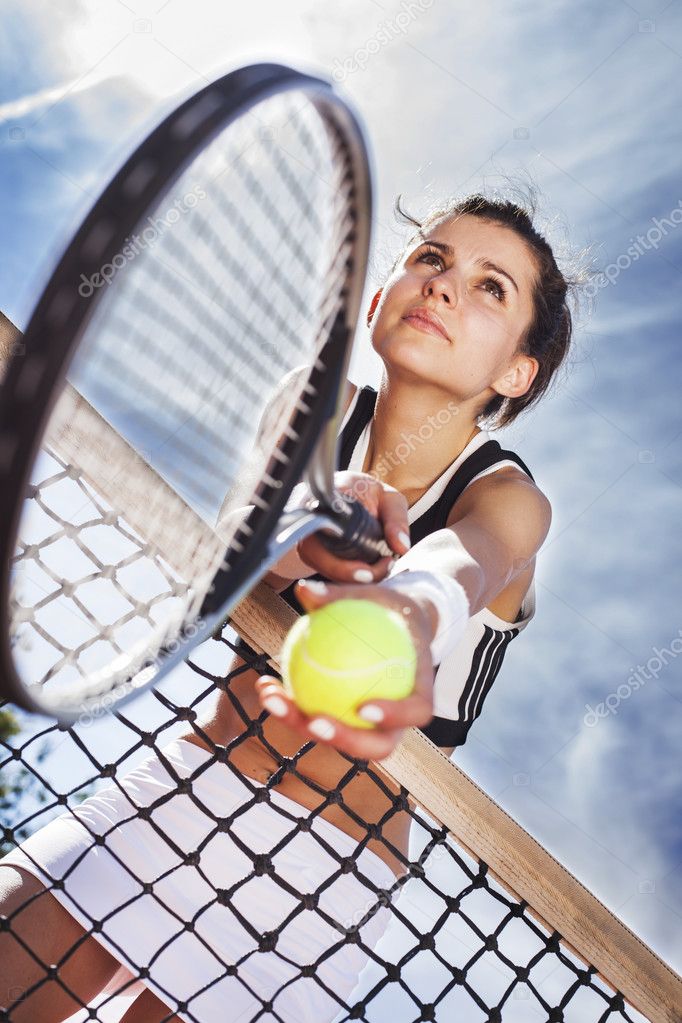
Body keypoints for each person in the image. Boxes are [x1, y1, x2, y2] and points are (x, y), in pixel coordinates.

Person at [0, 191, 576, 1023]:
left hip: (323, 870)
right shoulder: (319, 404)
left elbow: (458, 569)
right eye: (432, 259)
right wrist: (315, 518)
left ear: (515, 372)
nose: (444, 285)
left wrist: (401, 617)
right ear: (381, 300)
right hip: (180, 784)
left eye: (493, 287)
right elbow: (241, 546)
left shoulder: (512, 499)